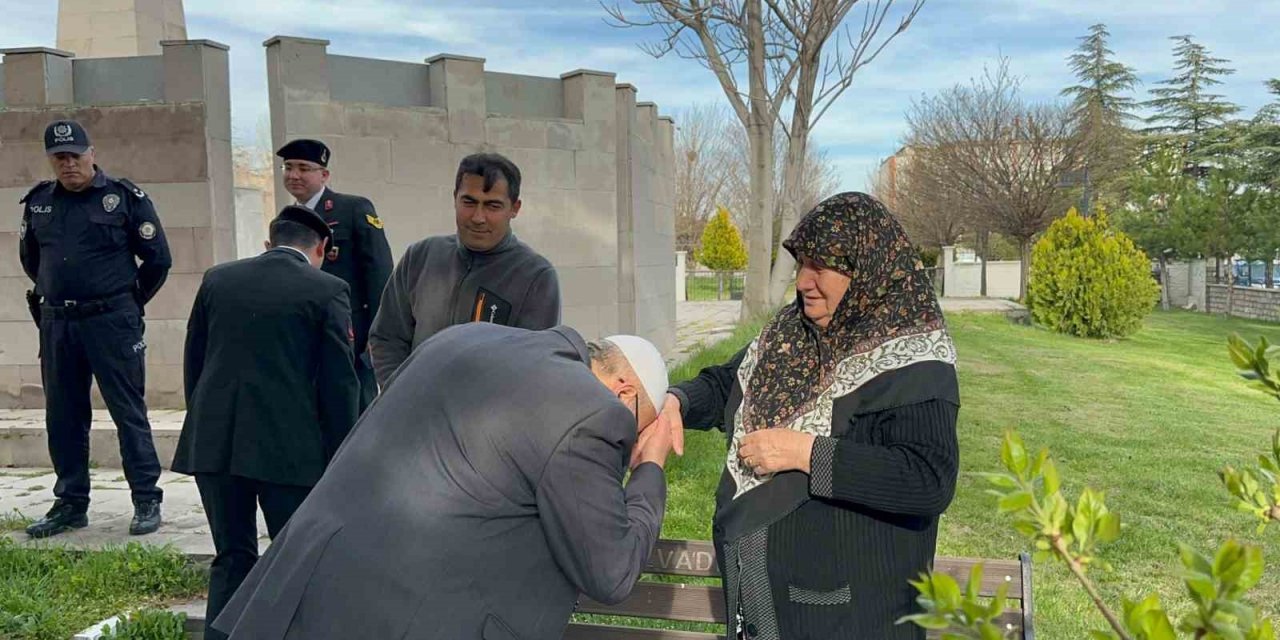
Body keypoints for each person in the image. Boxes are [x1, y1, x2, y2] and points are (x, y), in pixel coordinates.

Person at [210, 324, 673, 640]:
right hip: (402, 621)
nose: (628, 444)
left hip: (300, 587)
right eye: (635, 430)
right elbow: (611, 572)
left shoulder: (461, 337)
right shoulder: (591, 409)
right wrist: (649, 467)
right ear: (623, 391)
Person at [662, 192, 960, 640]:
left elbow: (927, 478)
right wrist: (678, 401)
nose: (802, 281)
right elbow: (729, 381)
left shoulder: (915, 359)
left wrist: (806, 452)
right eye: (801, 264)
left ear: (865, 269)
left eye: (820, 266)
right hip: (764, 609)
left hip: (853, 618)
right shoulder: (791, 332)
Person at [172, 205, 360, 640]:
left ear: (269, 243)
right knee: (296, 559)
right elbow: (338, 384)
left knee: (232, 557)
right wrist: (340, 456)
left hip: (215, 443)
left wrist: (204, 423)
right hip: (288, 450)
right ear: (321, 249)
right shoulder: (327, 289)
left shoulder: (218, 278)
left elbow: (194, 362)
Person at [19, 120, 172, 538]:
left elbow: (158, 259)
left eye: (75, 155)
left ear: (92, 153)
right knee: (63, 415)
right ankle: (70, 502)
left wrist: (127, 301)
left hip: (111, 321)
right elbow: (31, 261)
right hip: (58, 324)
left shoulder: (121, 198)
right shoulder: (39, 203)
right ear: (51, 160)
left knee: (127, 411)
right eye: (60, 157)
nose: (69, 164)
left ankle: (145, 498)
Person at [369, 152, 561, 388]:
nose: (478, 217)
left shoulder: (535, 276)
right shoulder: (420, 256)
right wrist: (402, 394)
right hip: (415, 413)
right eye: (469, 202)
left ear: (515, 208)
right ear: (455, 199)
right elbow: (387, 337)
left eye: (493, 205)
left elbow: (535, 367)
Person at [277, 138, 392, 412]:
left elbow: (380, 273)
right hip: (303, 334)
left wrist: (378, 335)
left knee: (353, 411)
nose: (294, 175)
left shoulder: (353, 209)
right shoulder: (286, 218)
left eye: (304, 168)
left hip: (348, 334)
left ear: (324, 174)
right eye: (288, 167)